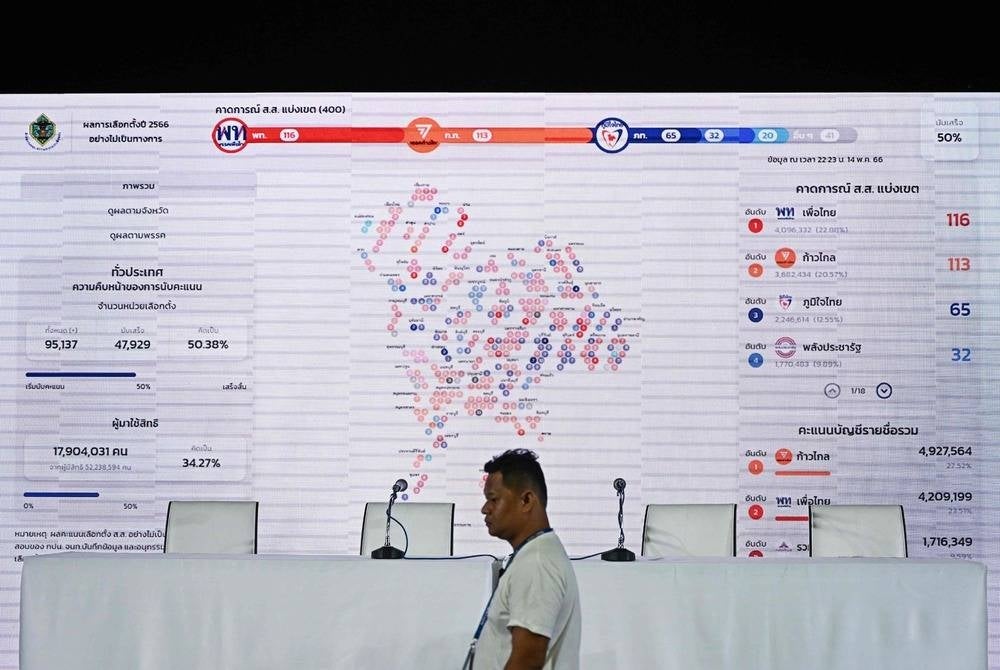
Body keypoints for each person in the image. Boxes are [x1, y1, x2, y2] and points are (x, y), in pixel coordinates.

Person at [473, 448, 581, 670]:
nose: (485, 509)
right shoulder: (535, 555)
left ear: (526, 500)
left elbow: (528, 660)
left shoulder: (537, 563)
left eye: (493, 499)